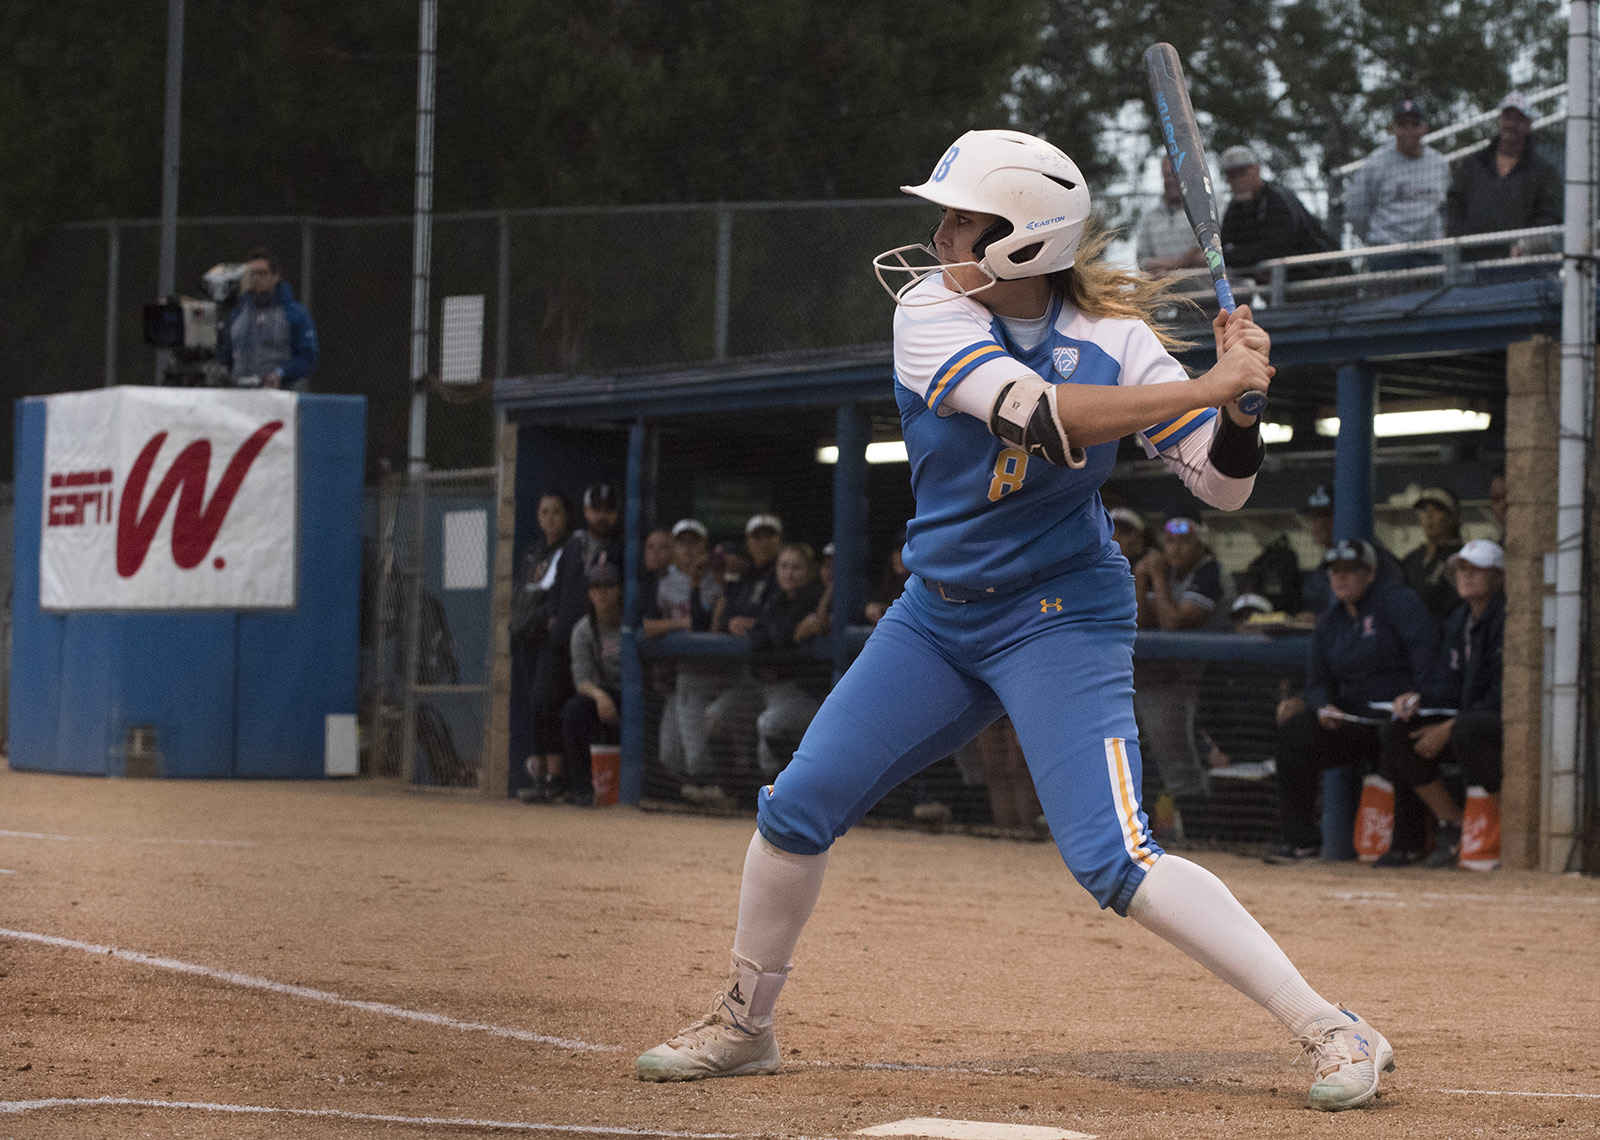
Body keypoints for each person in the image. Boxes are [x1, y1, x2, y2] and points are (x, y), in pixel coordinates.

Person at [638, 128, 1392, 1112]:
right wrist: (1207, 384)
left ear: (1024, 245)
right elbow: (1028, 413)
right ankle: (745, 1023)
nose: (941, 234)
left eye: (962, 220)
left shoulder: (1118, 342)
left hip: (1059, 619)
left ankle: (1334, 1029)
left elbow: (1219, 487)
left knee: (1113, 859)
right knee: (796, 807)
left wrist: (1237, 409)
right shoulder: (928, 312)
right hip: (936, 617)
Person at [1271, 539, 1439, 863]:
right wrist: (1323, 706)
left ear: (1371, 573)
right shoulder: (1330, 621)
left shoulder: (1397, 601)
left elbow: (1426, 650)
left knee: (1397, 737)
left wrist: (1419, 693)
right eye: (1335, 572)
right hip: (1353, 717)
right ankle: (1302, 841)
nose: (1341, 579)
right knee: (1296, 734)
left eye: (1350, 571)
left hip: (1400, 711)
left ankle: (1408, 844)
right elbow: (1318, 680)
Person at [1378, 539, 1505, 866]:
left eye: (1477, 569)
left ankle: (1507, 824)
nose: (1466, 575)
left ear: (1499, 576)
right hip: (1464, 719)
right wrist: (1418, 699)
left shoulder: (1506, 618)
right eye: (1462, 568)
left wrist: (1448, 727)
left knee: (1466, 732)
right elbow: (1445, 683)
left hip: (1497, 724)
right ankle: (1454, 823)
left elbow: (1503, 697)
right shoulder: (1459, 619)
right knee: (1399, 732)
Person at [1132, 515, 1233, 797]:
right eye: (1170, 542)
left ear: (1201, 542)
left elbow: (1173, 623)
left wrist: (1158, 578)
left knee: (1183, 767)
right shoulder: (1167, 571)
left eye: (1185, 541)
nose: (1175, 549)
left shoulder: (1210, 571)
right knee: (1163, 765)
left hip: (1212, 686)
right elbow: (1139, 622)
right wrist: (1141, 577)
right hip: (1172, 680)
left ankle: (1201, 836)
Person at [533, 482, 623, 801]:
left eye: (607, 509)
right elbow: (554, 586)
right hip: (569, 647)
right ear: (585, 512)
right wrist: (555, 616)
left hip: (623, 688)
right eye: (595, 509)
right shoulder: (573, 545)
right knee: (556, 708)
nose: (601, 516)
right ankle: (569, 786)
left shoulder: (621, 549)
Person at [643, 519, 725, 801]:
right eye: (682, 542)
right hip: (680, 673)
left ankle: (711, 790)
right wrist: (682, 624)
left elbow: (713, 625)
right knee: (669, 753)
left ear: (704, 546)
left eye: (694, 542)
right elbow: (649, 627)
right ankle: (691, 796)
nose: (688, 549)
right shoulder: (665, 584)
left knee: (697, 749)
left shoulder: (717, 579)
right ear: (674, 548)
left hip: (716, 672)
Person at [1446, 92, 1562, 259]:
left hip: (1520, 267)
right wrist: (1462, 236)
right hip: (1472, 264)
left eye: (1518, 119)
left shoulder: (1543, 171)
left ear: (1528, 125)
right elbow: (1454, 204)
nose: (1511, 124)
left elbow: (1549, 216)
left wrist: (1526, 244)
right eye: (1507, 117)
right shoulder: (1473, 164)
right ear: (1499, 121)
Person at [514, 491, 574, 803]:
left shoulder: (570, 549)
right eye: (545, 512)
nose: (550, 518)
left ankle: (555, 777)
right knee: (535, 706)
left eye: (556, 512)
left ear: (566, 516)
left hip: (552, 642)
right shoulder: (533, 553)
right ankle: (541, 778)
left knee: (546, 703)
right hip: (528, 639)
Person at [1345, 98, 1449, 271]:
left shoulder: (1439, 164)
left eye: (1415, 124)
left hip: (1429, 254)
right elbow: (1356, 211)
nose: (1409, 130)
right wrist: (1376, 240)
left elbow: (1445, 209)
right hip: (1388, 255)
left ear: (1424, 128)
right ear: (1393, 129)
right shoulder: (1375, 163)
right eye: (1402, 125)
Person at [1219, 146, 1338, 282]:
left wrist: (1236, 257)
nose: (1237, 181)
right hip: (1281, 286)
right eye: (1231, 176)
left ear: (1256, 170)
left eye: (1242, 173)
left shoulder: (1277, 199)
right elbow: (1224, 245)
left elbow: (1277, 248)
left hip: (1318, 276)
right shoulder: (1235, 208)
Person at [561, 562, 626, 807]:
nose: (602, 593)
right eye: (596, 587)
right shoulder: (583, 630)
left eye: (608, 587)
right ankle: (582, 790)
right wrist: (600, 696)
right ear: (589, 593)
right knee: (574, 711)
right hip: (605, 694)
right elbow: (582, 680)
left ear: (618, 590)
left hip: (632, 695)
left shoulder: (629, 622)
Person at [218, 247, 319, 389]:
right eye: (251, 274)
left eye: (262, 273)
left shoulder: (295, 313)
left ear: (276, 276)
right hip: (237, 393)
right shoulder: (237, 313)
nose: (255, 278)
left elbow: (307, 358)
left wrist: (281, 374)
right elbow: (225, 355)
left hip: (278, 394)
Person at [1400, 486, 1464, 627]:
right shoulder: (1411, 559)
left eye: (1437, 510)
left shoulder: (1462, 558)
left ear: (1452, 517)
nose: (1429, 516)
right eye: (1424, 510)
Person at [1136, 156, 1207, 276]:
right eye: (1166, 175)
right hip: (1163, 289)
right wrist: (1184, 262)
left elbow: (1205, 254)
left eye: (1174, 174)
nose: (1170, 180)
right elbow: (1143, 262)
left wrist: (1172, 264)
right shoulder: (1150, 217)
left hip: (1203, 288)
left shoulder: (1205, 208)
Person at [862, 537, 910, 624]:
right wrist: (876, 607)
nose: (898, 557)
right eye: (897, 551)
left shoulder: (920, 582)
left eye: (903, 551)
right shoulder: (889, 581)